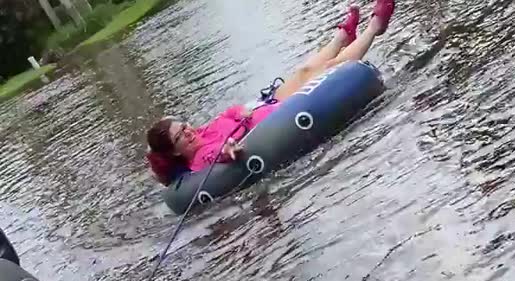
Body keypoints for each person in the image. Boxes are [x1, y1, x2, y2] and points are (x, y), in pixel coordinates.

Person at [146, 0, 396, 185]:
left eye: (184, 126)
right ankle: (375, 25)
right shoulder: (200, 158)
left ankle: (342, 36)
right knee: (329, 70)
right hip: (281, 117)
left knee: (303, 70)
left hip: (269, 106)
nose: (188, 131)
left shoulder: (201, 132)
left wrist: (240, 111)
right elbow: (219, 154)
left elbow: (229, 113)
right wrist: (228, 149)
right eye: (181, 136)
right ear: (175, 151)